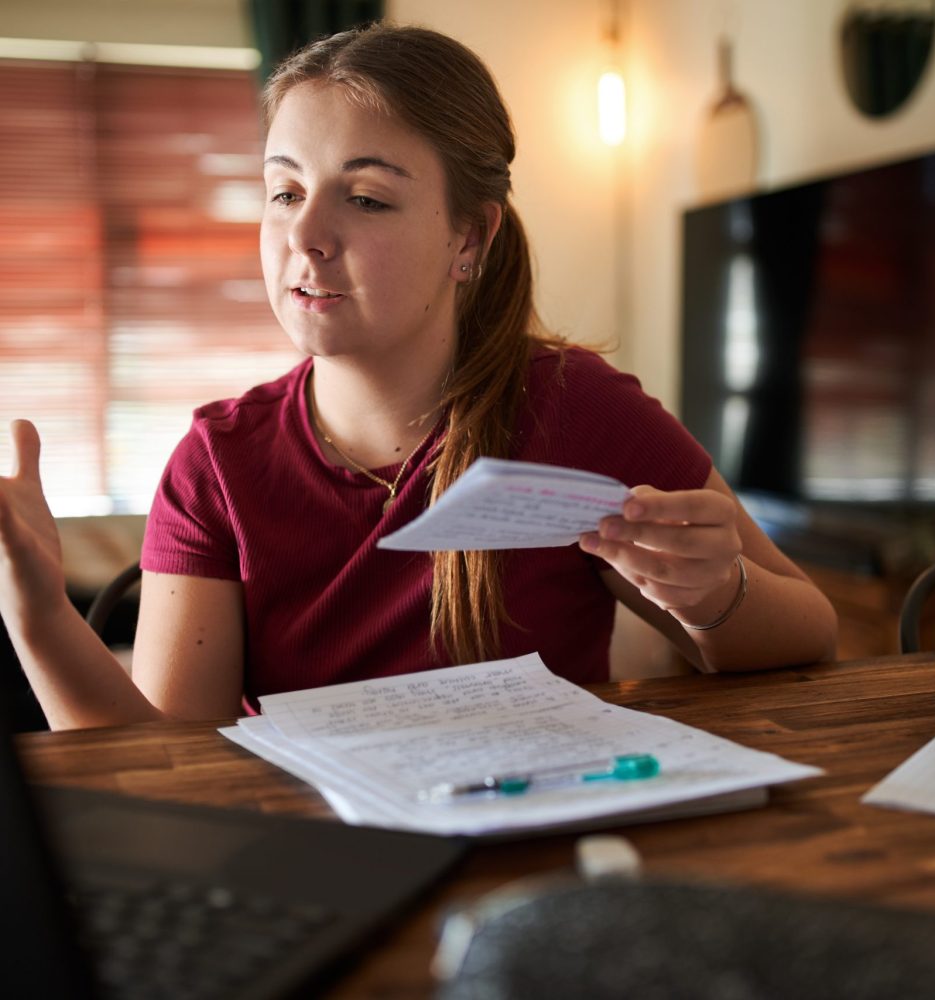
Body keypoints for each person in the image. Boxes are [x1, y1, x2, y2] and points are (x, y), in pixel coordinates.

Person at [0, 22, 837, 731]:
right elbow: (174, 773)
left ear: (469, 238)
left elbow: (811, 633)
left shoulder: (575, 410)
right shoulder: (217, 463)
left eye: (365, 198)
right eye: (285, 192)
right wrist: (38, 617)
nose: (308, 236)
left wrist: (712, 594)